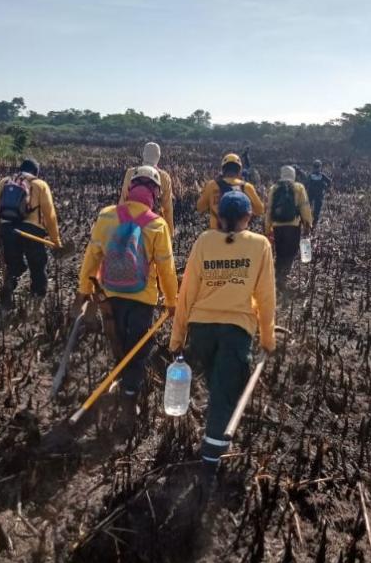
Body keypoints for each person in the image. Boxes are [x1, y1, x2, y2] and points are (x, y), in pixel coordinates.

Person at [169, 191, 276, 475]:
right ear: (247, 217)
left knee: (218, 386)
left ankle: (212, 432)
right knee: (224, 395)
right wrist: (268, 339)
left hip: (200, 330)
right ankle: (210, 462)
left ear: (218, 217)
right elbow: (265, 297)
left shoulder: (204, 241)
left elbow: (186, 292)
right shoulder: (260, 244)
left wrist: (177, 338)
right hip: (236, 331)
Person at [76, 166, 178, 398]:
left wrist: (85, 288)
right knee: (139, 343)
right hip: (143, 296)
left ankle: (120, 372)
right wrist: (171, 301)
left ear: (130, 188)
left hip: (110, 292)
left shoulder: (107, 215)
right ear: (155, 193)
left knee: (117, 336)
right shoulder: (158, 225)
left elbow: (92, 255)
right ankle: (131, 387)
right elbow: (166, 268)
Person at [0, 157, 62, 306]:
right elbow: (50, 215)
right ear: (36, 172)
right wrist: (55, 240)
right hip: (33, 231)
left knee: (13, 266)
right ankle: (37, 302)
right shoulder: (40, 184)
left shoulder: (5, 182)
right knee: (37, 266)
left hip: (7, 229)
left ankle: (9, 288)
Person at [264, 166, 313, 291]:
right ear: (293, 175)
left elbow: (269, 210)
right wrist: (308, 224)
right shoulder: (299, 187)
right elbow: (305, 207)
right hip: (293, 226)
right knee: (290, 253)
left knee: (280, 253)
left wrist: (267, 228)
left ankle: (276, 276)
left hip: (277, 227)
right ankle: (282, 278)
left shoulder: (273, 189)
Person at [195, 153, 265, 230]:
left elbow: (200, 207)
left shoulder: (212, 185)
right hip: (240, 234)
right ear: (239, 171)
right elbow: (260, 210)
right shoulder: (247, 187)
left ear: (223, 170)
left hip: (216, 233)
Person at [118, 142, 175, 235]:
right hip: (153, 224)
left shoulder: (131, 173)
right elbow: (167, 208)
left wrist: (119, 225)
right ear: (158, 157)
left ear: (143, 154)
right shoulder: (164, 177)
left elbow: (123, 199)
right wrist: (170, 232)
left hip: (131, 223)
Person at [304, 159, 333, 224]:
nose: (316, 168)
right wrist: (326, 188)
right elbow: (305, 184)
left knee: (316, 209)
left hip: (317, 194)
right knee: (310, 207)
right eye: (315, 167)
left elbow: (329, 182)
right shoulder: (315, 175)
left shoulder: (319, 175)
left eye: (317, 167)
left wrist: (326, 188)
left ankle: (314, 221)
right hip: (313, 194)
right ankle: (310, 220)